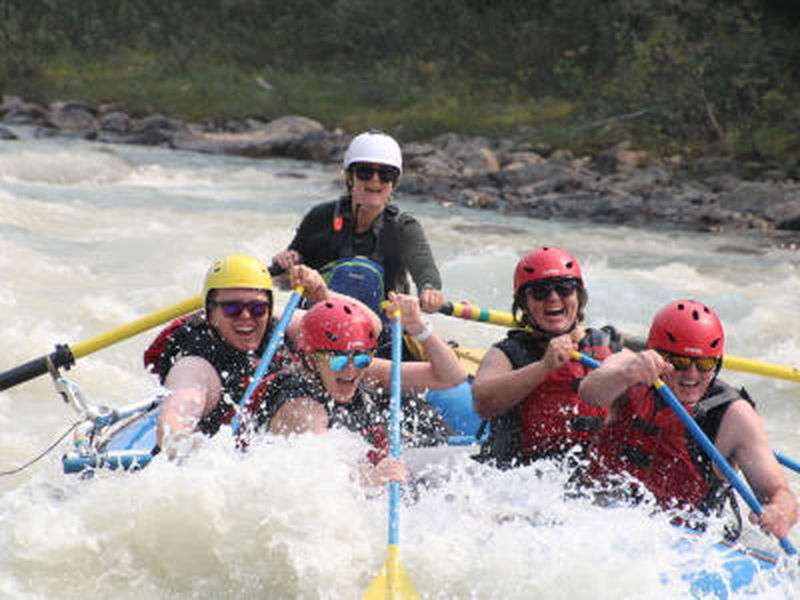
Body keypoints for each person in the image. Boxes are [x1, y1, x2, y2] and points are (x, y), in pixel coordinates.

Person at [579, 299, 798, 540]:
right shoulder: (627, 367)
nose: (692, 375)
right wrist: (627, 373)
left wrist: (779, 511)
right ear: (657, 354)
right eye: (680, 362)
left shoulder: (734, 416)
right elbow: (590, 393)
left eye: (704, 363)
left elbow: (780, 493)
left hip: (682, 543)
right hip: (593, 516)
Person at [261, 293, 467, 486]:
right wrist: (370, 477)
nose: (351, 370)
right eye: (339, 361)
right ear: (310, 360)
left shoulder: (358, 371)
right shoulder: (300, 405)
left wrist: (418, 328)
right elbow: (320, 466)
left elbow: (452, 376)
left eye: (361, 358)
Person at [147, 255, 336, 457]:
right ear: (211, 312)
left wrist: (323, 295)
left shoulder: (282, 324)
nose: (246, 316)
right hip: (218, 451)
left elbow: (357, 327)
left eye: (257, 308)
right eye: (232, 308)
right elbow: (176, 419)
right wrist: (183, 446)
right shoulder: (195, 363)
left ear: (268, 309)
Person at [472, 246, 623, 469]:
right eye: (539, 291)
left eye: (564, 289)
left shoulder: (607, 345)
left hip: (591, 476)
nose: (553, 298)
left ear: (579, 297)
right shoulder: (507, 352)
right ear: (524, 304)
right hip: (520, 476)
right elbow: (482, 402)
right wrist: (544, 367)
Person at [271, 130, 444, 324]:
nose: (375, 180)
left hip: (383, 330)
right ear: (350, 177)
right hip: (317, 324)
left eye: (386, 174)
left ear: (394, 182)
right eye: (365, 172)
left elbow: (424, 268)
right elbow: (283, 283)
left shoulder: (404, 228)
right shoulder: (320, 217)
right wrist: (287, 265)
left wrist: (430, 290)